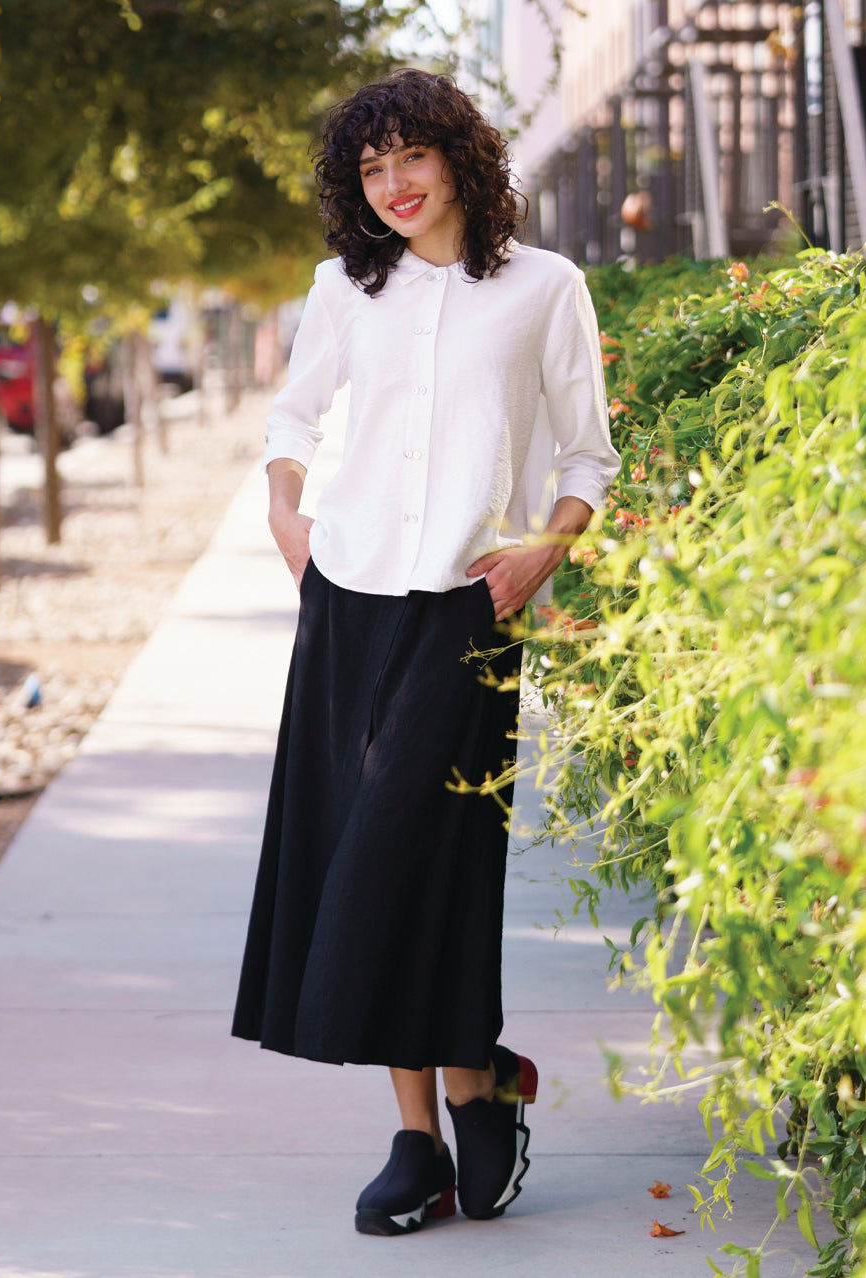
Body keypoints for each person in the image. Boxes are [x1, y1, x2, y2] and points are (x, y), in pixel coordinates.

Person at [231, 68, 619, 1237]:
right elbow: (291, 419)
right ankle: (427, 1130)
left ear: (458, 158)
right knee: (359, 849)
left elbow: (586, 458)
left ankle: (477, 1081)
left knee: (422, 857)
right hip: (346, 597)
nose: (394, 185)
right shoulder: (345, 290)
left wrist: (540, 556)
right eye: (371, 167)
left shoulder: (544, 288)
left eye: (413, 157)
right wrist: (282, 510)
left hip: (468, 606)